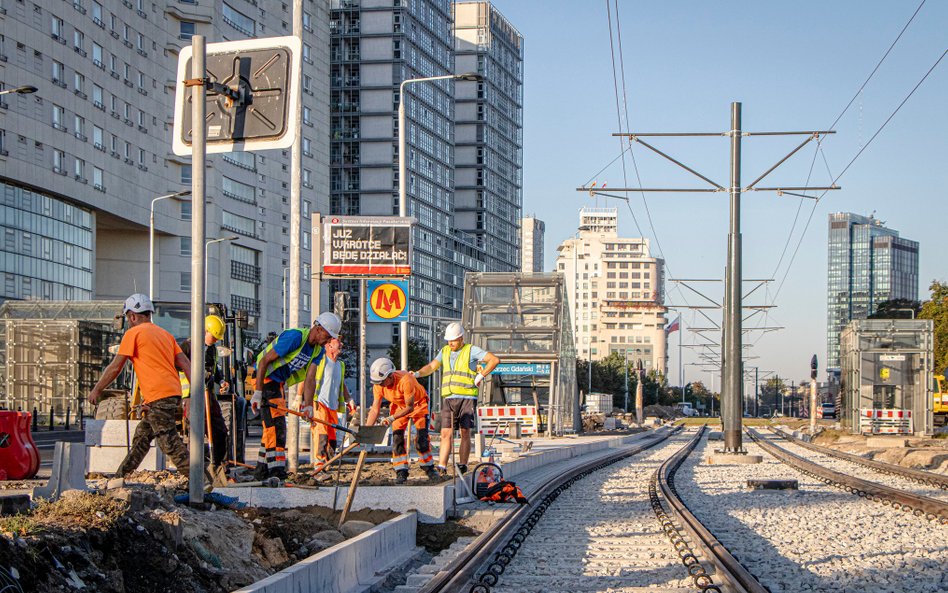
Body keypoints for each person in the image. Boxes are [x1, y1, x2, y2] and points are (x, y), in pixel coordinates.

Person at [89, 294, 197, 483]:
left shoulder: (133, 333)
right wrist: (195, 393)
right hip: (172, 392)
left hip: (158, 395)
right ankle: (120, 477)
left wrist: (97, 389)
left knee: (168, 440)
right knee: (142, 437)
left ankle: (199, 481)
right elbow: (186, 364)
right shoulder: (166, 335)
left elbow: (115, 367)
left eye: (128, 318)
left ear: (132, 316)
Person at [250, 312, 341, 480]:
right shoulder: (295, 337)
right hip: (264, 379)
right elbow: (263, 362)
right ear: (318, 329)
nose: (328, 341)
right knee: (276, 427)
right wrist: (258, 391)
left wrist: (308, 405)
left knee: (271, 426)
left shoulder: (317, 351)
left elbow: (310, 378)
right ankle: (276, 471)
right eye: (327, 337)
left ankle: (261, 472)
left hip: (277, 383)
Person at [414, 322, 499, 477]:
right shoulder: (445, 351)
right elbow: (432, 366)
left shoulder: (471, 350)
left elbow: (494, 360)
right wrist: (417, 374)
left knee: (465, 432)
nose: (450, 343)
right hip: (449, 398)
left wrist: (481, 375)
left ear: (461, 338)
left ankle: (463, 464)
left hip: (467, 397)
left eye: (453, 340)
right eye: (448, 340)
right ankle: (442, 466)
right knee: (445, 433)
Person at [366, 357, 439, 483]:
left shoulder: (406, 380)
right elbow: (374, 409)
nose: (380, 385)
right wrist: (367, 430)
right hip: (398, 406)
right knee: (397, 438)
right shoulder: (378, 385)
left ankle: (428, 467)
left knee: (421, 439)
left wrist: (391, 418)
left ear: (390, 376)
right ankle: (401, 471)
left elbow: (409, 408)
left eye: (382, 382)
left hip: (417, 404)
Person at [178, 314, 230, 486]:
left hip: (208, 394)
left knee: (220, 430)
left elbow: (214, 370)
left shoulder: (212, 349)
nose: (215, 340)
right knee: (196, 432)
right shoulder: (187, 346)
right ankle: (195, 469)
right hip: (191, 395)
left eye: (217, 338)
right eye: (213, 336)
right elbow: (177, 366)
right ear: (205, 330)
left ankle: (219, 465)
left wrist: (220, 380)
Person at [299, 337, 354, 475]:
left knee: (332, 438)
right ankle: (319, 465)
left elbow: (342, 384)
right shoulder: (321, 361)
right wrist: (300, 398)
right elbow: (307, 378)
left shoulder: (340, 365)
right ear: (329, 346)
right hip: (319, 403)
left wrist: (349, 399)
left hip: (332, 407)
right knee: (321, 434)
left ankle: (327, 464)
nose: (341, 344)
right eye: (338, 342)